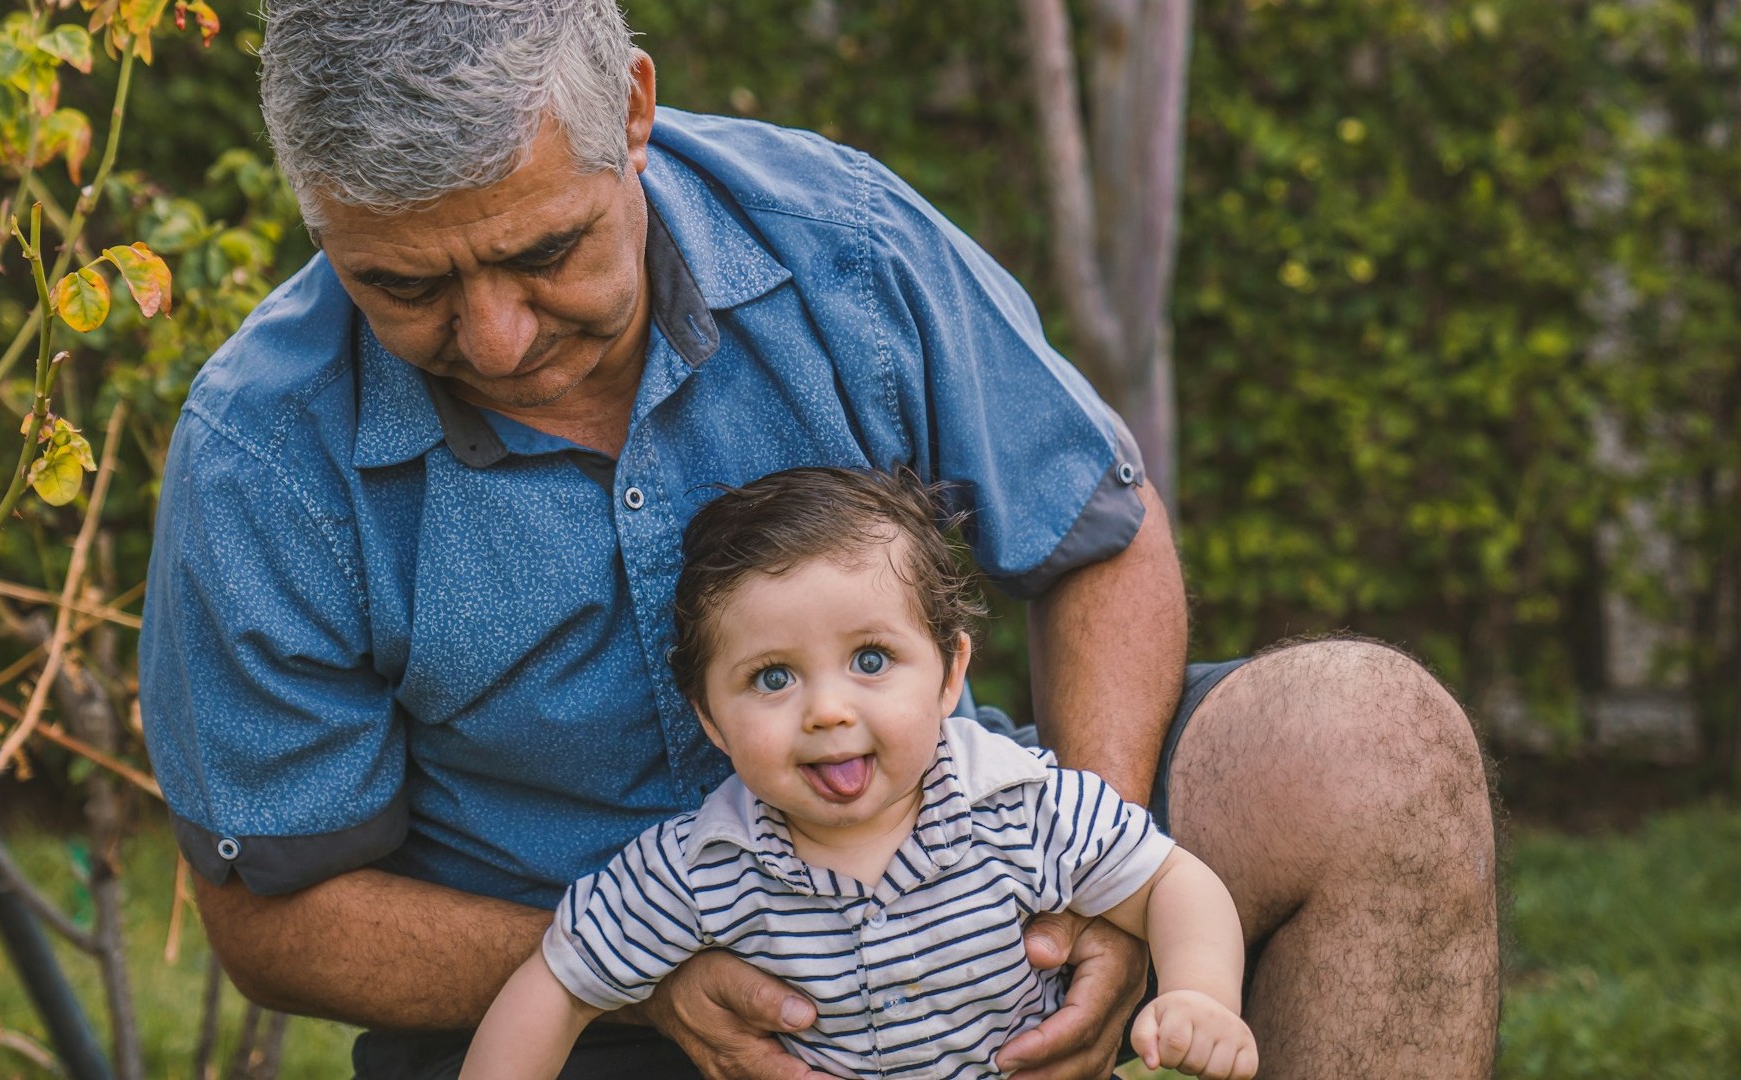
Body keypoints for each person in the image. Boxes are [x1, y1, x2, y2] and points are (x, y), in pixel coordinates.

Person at [138, 2, 1499, 1077]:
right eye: (404, 285)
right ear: (323, 217)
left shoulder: (839, 241)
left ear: (634, 113)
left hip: (976, 882)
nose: (495, 337)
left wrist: (1097, 891)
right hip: (580, 1013)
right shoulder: (262, 454)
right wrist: (645, 971)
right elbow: (277, 917)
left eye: (547, 251)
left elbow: (1096, 539)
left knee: (1367, 741)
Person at [458, 467, 1260, 1080]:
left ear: (950, 675)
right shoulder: (704, 866)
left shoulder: (1017, 805)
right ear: (709, 716)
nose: (827, 711)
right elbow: (558, 983)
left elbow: (1171, 883)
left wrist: (1199, 993)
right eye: (773, 677)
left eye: (870, 660)